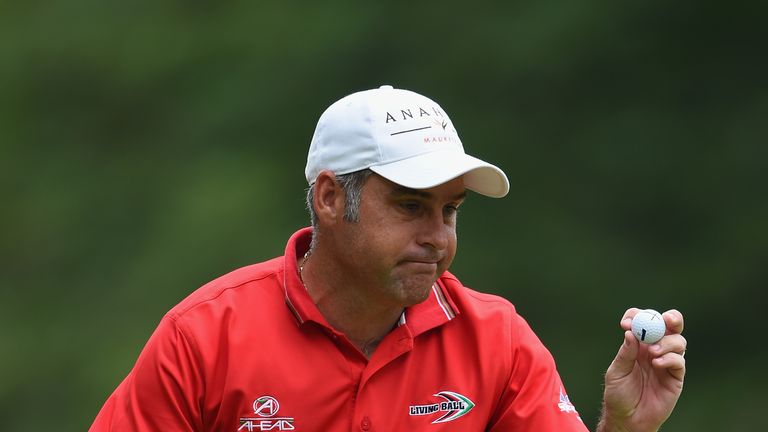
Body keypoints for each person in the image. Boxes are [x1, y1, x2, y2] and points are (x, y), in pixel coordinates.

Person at [89, 85, 686, 431]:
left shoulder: (497, 341)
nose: (437, 238)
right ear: (329, 198)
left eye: (449, 211)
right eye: (410, 206)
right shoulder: (204, 337)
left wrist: (625, 429)